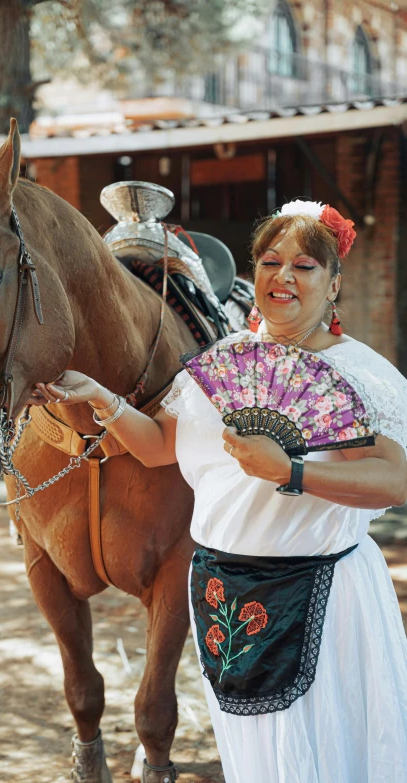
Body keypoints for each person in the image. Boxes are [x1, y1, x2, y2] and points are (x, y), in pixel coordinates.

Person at [30, 200, 407, 782]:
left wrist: (292, 471)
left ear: (333, 284)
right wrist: (104, 400)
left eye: (304, 265)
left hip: (320, 594)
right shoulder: (219, 363)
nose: (282, 276)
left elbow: (396, 479)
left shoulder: (362, 373)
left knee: (322, 750)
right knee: (251, 753)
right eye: (269, 261)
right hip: (223, 595)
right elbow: (158, 444)